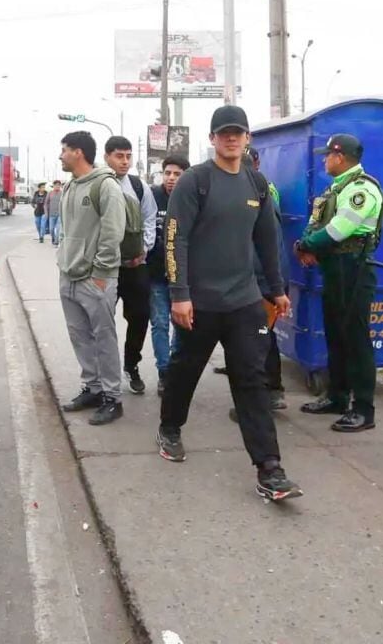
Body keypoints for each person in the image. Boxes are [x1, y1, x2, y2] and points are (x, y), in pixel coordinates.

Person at [159, 105, 302, 502]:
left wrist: (275, 289)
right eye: (224, 133)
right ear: (213, 139)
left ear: (247, 138)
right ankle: (170, 427)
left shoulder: (256, 184)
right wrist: (179, 294)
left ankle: (269, 467)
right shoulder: (195, 181)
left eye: (238, 132)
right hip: (199, 303)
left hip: (244, 302)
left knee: (251, 379)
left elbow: (266, 242)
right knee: (185, 370)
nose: (231, 138)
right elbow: (175, 239)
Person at [294, 133, 383, 433]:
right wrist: (307, 245)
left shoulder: (361, 189)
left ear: (340, 157)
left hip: (355, 269)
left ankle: (364, 409)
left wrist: (308, 245)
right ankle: (337, 396)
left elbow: (339, 229)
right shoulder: (335, 189)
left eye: (327, 155)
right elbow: (318, 223)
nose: (323, 160)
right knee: (336, 334)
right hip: (335, 268)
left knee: (356, 339)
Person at [56, 131, 129, 426]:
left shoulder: (105, 186)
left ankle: (112, 397)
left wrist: (100, 274)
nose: (60, 155)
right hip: (69, 275)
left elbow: (113, 233)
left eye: (64, 150)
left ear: (78, 152)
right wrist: (62, 263)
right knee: (79, 337)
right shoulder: (70, 186)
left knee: (104, 338)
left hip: (95, 278)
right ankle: (93, 388)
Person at [221, 147, 288, 415]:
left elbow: (261, 248)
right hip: (267, 282)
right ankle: (272, 392)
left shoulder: (255, 198)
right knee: (263, 340)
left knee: (256, 344)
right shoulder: (263, 194)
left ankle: (263, 399)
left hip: (260, 284)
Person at [104, 136, 159, 395]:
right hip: (106, 269)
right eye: (119, 156)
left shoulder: (138, 187)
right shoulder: (98, 185)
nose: (124, 161)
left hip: (136, 267)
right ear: (106, 157)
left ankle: (131, 365)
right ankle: (105, 375)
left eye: (127, 156)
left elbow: (149, 219)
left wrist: (143, 250)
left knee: (139, 318)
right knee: (102, 321)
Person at [148, 155, 190, 397]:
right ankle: (164, 372)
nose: (171, 178)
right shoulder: (152, 197)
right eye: (168, 173)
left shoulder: (191, 197)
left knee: (181, 326)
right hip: (156, 274)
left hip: (183, 277)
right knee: (160, 324)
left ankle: (174, 370)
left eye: (177, 174)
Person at [45, 179, 63, 247]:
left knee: (58, 229)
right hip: (51, 215)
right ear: (53, 186)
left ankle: (56, 242)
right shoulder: (50, 193)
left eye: (59, 185)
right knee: (51, 229)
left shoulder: (62, 193)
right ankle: (53, 238)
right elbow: (46, 204)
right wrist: (46, 213)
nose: (57, 186)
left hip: (59, 214)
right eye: (56, 185)